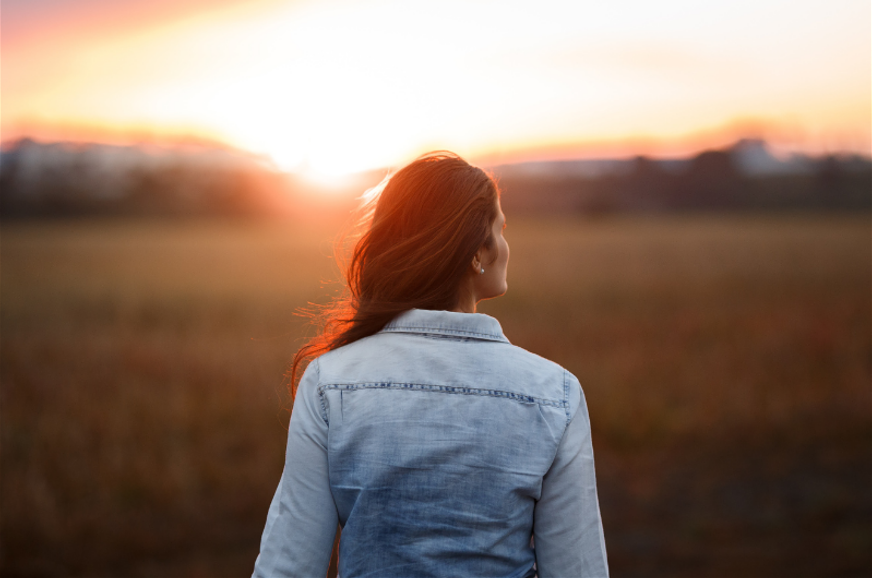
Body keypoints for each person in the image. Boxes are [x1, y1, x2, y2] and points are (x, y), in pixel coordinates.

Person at [252, 152, 609, 578]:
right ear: (480, 249)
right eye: (501, 229)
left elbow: (288, 566)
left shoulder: (330, 384)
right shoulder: (555, 393)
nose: (506, 245)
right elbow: (579, 570)